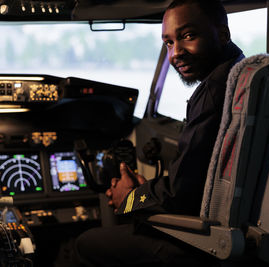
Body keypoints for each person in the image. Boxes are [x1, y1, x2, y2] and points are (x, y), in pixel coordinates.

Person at [71, 0, 245, 266]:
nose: (175, 53)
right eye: (168, 43)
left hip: (203, 242)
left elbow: (178, 196)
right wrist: (145, 190)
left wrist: (130, 199)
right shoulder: (242, 77)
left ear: (223, 35)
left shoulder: (214, 93)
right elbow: (188, 182)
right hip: (231, 231)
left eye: (188, 36)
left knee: (84, 243)